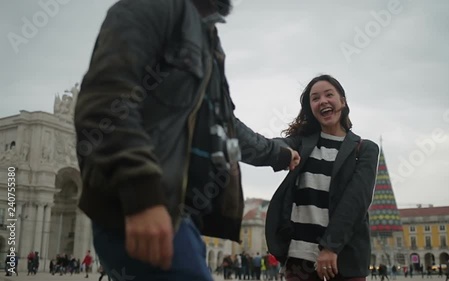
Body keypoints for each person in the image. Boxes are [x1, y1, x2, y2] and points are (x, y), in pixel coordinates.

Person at [73, 0, 300, 280]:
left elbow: (227, 128)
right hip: (139, 204)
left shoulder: (208, 40)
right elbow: (106, 105)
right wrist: (141, 195)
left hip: (177, 212)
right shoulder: (149, 7)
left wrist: (278, 153)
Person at [266, 74, 380, 281]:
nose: (323, 101)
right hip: (299, 259)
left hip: (344, 259)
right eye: (315, 98)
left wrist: (330, 247)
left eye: (329, 95)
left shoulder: (364, 149)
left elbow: (355, 202)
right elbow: (275, 145)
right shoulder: (301, 144)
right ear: (311, 108)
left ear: (343, 102)